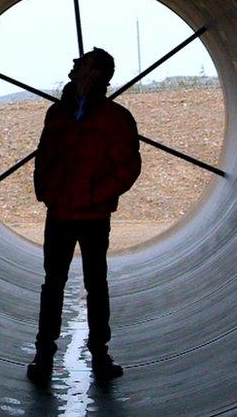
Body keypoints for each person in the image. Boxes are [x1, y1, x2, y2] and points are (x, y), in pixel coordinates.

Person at [27, 47, 142, 383]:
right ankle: (56, 356)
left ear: (96, 74)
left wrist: (93, 196)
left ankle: (83, 356)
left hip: (86, 213)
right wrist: (48, 192)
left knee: (85, 284)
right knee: (62, 285)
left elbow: (129, 167)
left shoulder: (111, 118)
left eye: (83, 62)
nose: (75, 63)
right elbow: (45, 155)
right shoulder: (65, 114)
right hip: (68, 211)